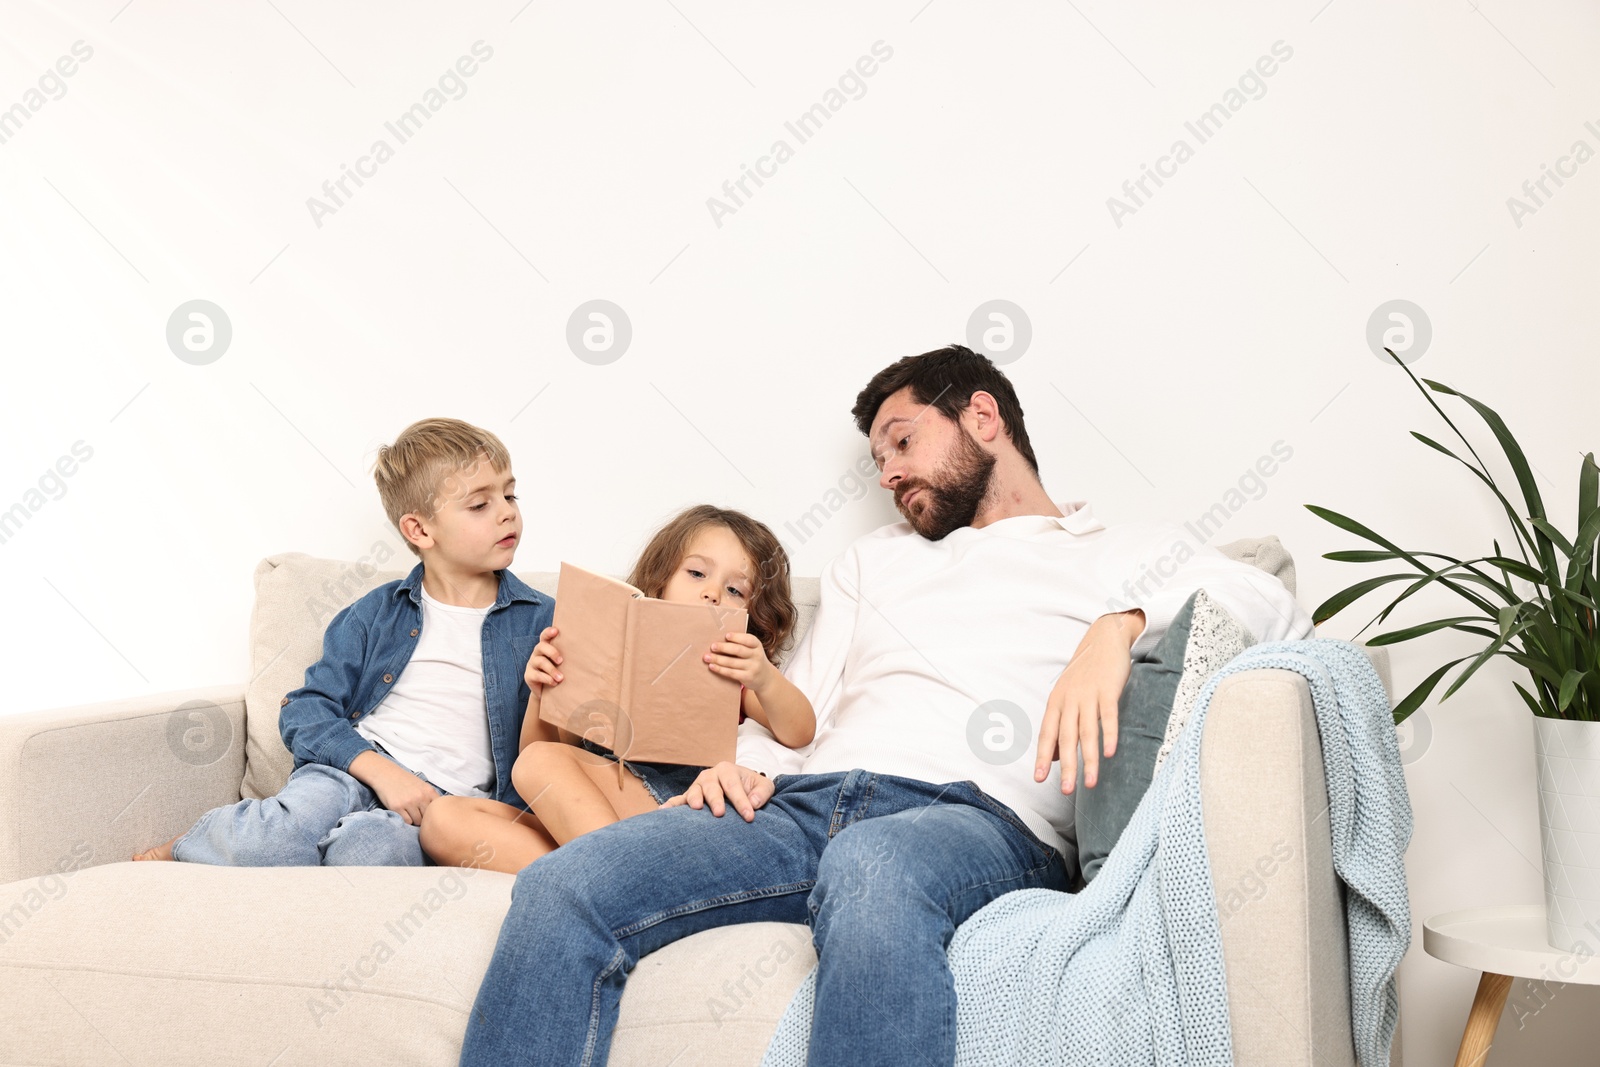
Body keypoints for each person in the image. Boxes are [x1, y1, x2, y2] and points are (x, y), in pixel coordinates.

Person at [458, 345, 1315, 1067]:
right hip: (804, 804)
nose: (890, 470)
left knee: (871, 866)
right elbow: (806, 714)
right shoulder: (877, 559)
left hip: (977, 820)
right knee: (565, 885)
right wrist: (743, 769)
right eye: (878, 459)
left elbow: (1269, 600)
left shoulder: (1116, 549)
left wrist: (1118, 623)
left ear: (985, 419)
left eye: (902, 441)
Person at [134, 417, 551, 867]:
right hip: (351, 770)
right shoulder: (376, 614)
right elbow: (304, 710)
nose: (507, 512)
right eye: (479, 505)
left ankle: (321, 850)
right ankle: (189, 845)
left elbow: (557, 746)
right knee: (278, 837)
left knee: (367, 853)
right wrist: (380, 771)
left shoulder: (543, 619)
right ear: (420, 531)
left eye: (510, 495)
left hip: (442, 808)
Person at [418, 505, 815, 874]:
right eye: (696, 574)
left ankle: (618, 874)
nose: (712, 592)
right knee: (442, 821)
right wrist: (542, 693)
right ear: (660, 581)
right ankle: (610, 876)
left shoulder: (729, 672)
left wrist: (763, 675)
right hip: (593, 813)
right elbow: (543, 756)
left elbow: (800, 731)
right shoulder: (610, 653)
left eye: (735, 590)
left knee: (540, 763)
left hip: (666, 806)